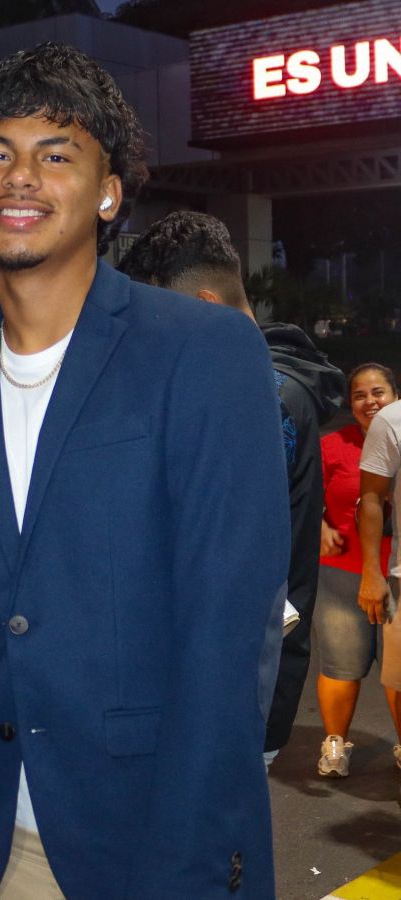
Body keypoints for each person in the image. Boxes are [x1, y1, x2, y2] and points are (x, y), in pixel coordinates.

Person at [0, 44, 290, 899]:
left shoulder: (203, 353)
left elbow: (228, 648)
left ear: (109, 193)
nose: (19, 176)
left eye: (56, 153)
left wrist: (182, 873)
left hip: (153, 847)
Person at [117, 210, 345, 764]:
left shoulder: (252, 397)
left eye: (151, 316)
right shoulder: (267, 383)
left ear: (202, 307)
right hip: (243, 683)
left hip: (221, 696)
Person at [316, 364, 401, 776]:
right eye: (360, 395)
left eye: (378, 392)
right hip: (342, 573)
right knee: (340, 665)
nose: (371, 402)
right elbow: (296, 492)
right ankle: (335, 744)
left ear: (395, 395)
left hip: (397, 573)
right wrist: (319, 525)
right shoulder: (332, 445)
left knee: (397, 672)